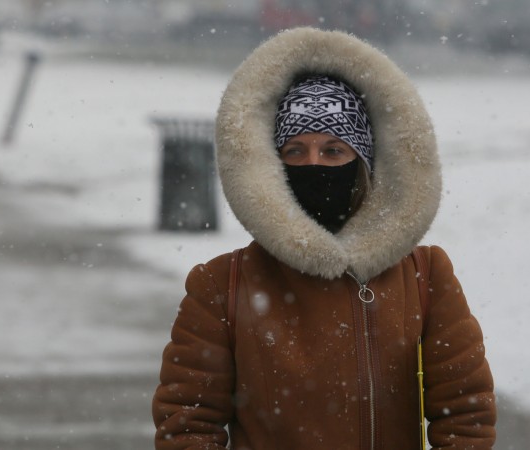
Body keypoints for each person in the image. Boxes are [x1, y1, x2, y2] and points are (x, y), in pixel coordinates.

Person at [153, 27, 496, 449]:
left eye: (334, 151)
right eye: (295, 151)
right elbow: (187, 424)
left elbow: (466, 415)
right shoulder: (222, 285)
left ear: (363, 163)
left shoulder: (424, 277)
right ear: (271, 166)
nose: (313, 164)